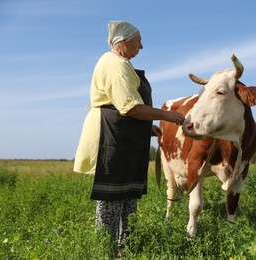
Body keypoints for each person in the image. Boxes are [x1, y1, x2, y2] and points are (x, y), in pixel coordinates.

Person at [73, 21, 185, 256]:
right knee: (112, 196)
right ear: (122, 42)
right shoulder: (115, 65)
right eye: (138, 41)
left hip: (125, 135)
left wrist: (148, 128)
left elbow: (127, 107)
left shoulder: (120, 63)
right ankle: (106, 251)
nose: (141, 46)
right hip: (113, 136)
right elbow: (130, 107)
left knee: (127, 196)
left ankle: (126, 248)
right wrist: (168, 115)